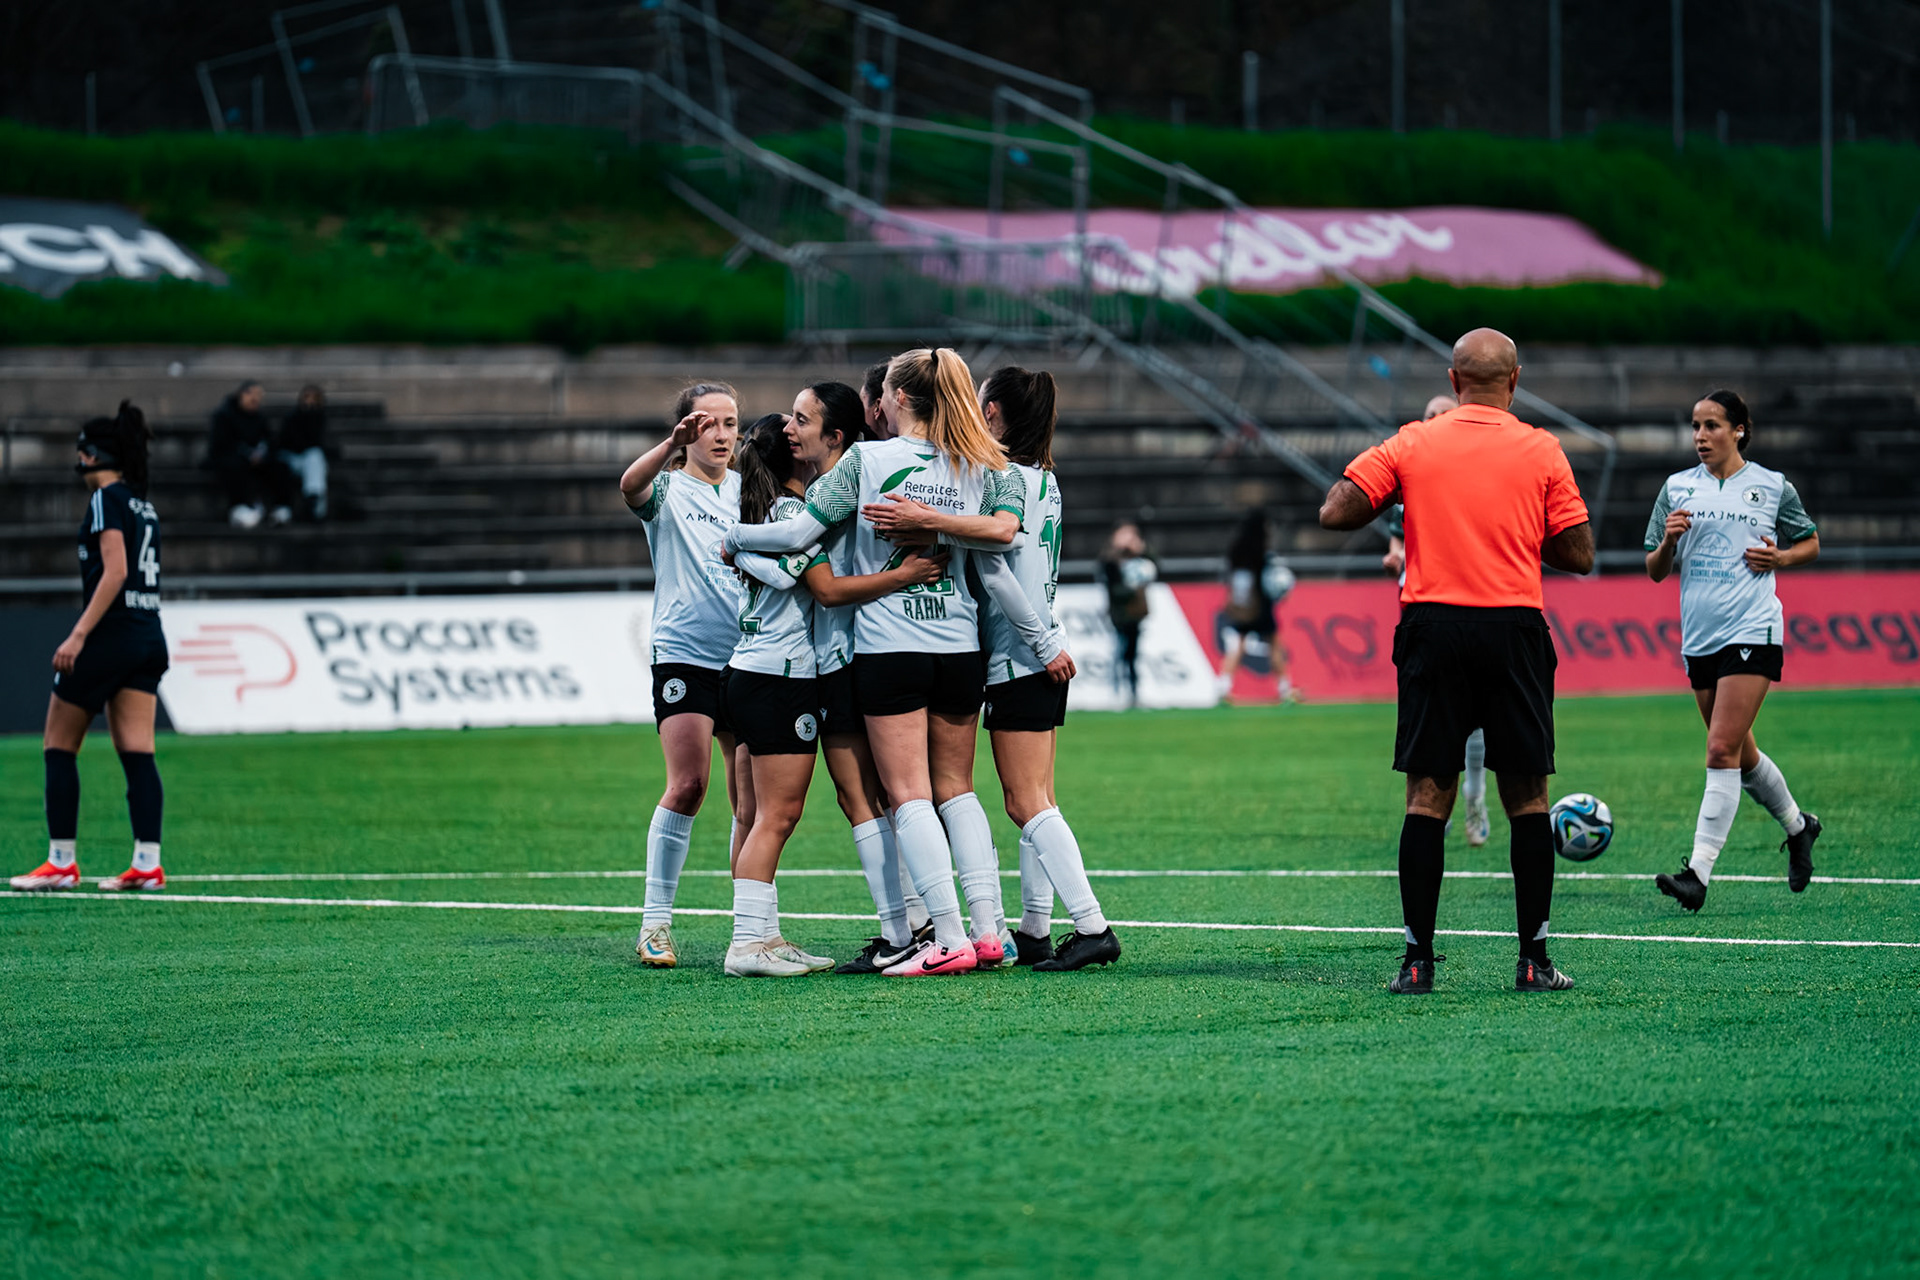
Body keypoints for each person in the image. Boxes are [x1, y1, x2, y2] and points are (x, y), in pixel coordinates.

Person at [726, 347, 1056, 976]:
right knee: (957, 791)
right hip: (960, 644)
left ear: (896, 400)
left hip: (890, 645)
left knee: (907, 796)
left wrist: (736, 537)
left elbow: (798, 537)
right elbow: (1006, 534)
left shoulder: (866, 460)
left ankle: (947, 937)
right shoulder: (983, 464)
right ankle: (990, 933)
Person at [1320, 328, 1594, 994]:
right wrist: (1519, 532)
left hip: (1432, 627)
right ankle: (1533, 960)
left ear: (1452, 381)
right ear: (1515, 381)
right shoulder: (1541, 447)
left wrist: (1407, 496)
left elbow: (1335, 511)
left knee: (1426, 798)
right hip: (1513, 628)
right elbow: (1579, 554)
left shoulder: (1414, 442)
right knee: (1528, 798)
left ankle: (1417, 962)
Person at [781, 382, 952, 975]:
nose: (789, 427)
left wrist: (740, 540)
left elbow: (826, 590)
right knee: (893, 796)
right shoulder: (869, 477)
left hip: (849, 654)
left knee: (865, 798)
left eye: (802, 419)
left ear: (837, 435)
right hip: (886, 648)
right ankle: (922, 923)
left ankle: (899, 929)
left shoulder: (838, 488)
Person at [1645, 389, 1822, 913]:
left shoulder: (1771, 486)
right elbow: (1654, 570)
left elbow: (1810, 541)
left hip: (1754, 628)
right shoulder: (1676, 488)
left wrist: (1781, 559)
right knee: (1740, 756)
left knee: (1720, 750)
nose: (1701, 436)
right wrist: (1670, 542)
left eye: (1712, 426)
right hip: (1700, 637)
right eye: (1696, 426)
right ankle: (1799, 826)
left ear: (1739, 429)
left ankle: (1697, 874)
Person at [976, 366, 1120, 971]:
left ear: (993, 415)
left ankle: (1091, 925)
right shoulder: (1045, 480)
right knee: (1040, 798)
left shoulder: (1004, 479)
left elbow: (996, 572)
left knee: (1024, 802)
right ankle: (1036, 927)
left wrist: (1037, 643)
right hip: (1038, 650)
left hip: (1020, 654)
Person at [11, 403, 170, 894]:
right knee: (138, 753)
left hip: (111, 636)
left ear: (91, 455)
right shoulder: (144, 504)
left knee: (58, 745)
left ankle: (61, 861)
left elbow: (116, 571)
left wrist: (79, 634)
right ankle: (147, 862)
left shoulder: (106, 500)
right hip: (148, 635)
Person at [619, 382, 748, 969]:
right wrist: (667, 445)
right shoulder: (669, 488)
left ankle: (750, 925)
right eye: (708, 423)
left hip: (748, 656)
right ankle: (655, 924)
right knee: (689, 784)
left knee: (748, 795)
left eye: (730, 423)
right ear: (687, 431)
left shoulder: (750, 492)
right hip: (685, 654)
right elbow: (630, 488)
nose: (721, 434)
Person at [716, 413, 837, 976]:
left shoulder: (757, 513)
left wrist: (738, 550)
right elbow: (796, 578)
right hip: (780, 679)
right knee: (777, 817)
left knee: (755, 814)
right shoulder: (791, 513)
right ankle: (745, 944)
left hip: (744, 671)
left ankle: (765, 936)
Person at [1382, 392, 1489, 848]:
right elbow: (1394, 546)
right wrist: (1394, 561)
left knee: (1479, 718)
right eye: (1429, 415)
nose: (1437, 421)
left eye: (1445, 414)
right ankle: (1434, 807)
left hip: (1472, 606)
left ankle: (1475, 796)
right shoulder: (1407, 484)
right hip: (1422, 612)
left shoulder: (1481, 478)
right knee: (1432, 719)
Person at [1215, 510, 1296, 702]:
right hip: (1261, 605)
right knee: (1275, 645)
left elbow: (1233, 578)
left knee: (1238, 645)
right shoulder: (1262, 551)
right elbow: (1271, 580)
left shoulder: (1236, 550)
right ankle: (1285, 690)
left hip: (1243, 606)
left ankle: (1223, 687)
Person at [205, 381, 294, 528]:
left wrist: (261, 454)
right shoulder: (224, 415)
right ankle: (238, 509)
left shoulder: (259, 417)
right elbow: (221, 444)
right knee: (235, 467)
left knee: (280, 465)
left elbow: (269, 440)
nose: (255, 399)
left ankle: (280, 508)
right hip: (229, 458)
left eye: (258, 396)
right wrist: (246, 454)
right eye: (251, 394)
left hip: (256, 460)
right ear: (242, 394)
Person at [1097, 522, 1156, 706]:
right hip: (1118, 612)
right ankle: (1115, 691)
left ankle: (1133, 692)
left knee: (1132, 653)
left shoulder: (1141, 559)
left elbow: (1153, 565)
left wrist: (1140, 550)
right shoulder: (1111, 561)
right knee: (1119, 651)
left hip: (1135, 613)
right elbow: (1112, 585)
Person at [277, 384, 330, 521]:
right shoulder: (291, 418)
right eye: (307, 398)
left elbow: (320, 443)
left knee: (315, 457)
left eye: (314, 399)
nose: (310, 402)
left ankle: (313, 499)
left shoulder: (321, 419)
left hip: (310, 459)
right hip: (291, 457)